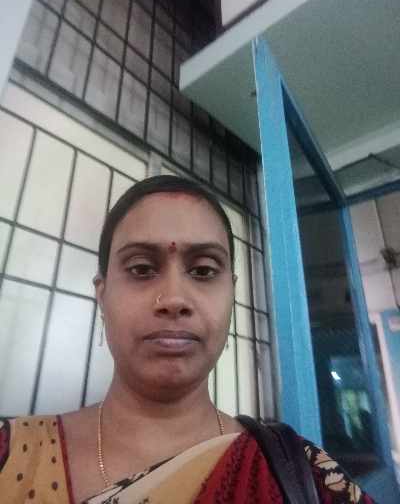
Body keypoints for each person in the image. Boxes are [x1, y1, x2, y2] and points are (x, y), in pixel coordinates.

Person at [0, 175, 375, 503]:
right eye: (141, 269)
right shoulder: (13, 454)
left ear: (231, 293)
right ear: (102, 294)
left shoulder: (304, 475)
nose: (174, 299)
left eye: (204, 271)